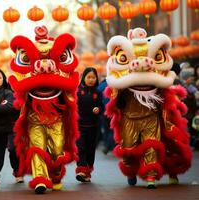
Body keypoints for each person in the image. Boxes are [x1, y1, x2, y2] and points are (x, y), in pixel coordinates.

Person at [105, 28, 192, 189]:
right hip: (129, 119)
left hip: (151, 118)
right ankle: (131, 171)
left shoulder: (158, 82)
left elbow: (168, 86)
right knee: (129, 150)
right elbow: (113, 100)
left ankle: (150, 175)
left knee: (151, 145)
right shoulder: (122, 85)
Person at [8, 25, 79, 194]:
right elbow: (19, 95)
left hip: (57, 120)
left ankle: (55, 174)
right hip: (34, 120)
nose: (44, 66)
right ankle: (40, 178)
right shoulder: (27, 80)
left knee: (57, 150)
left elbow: (70, 95)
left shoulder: (62, 82)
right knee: (37, 148)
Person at [75, 67, 103, 182]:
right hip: (79, 126)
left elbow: (102, 106)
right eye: (88, 77)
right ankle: (81, 170)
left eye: (93, 77)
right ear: (83, 78)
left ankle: (87, 171)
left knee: (90, 150)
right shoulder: (77, 91)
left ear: (96, 79)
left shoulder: (98, 92)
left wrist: (98, 109)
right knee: (81, 148)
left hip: (93, 126)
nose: (91, 80)